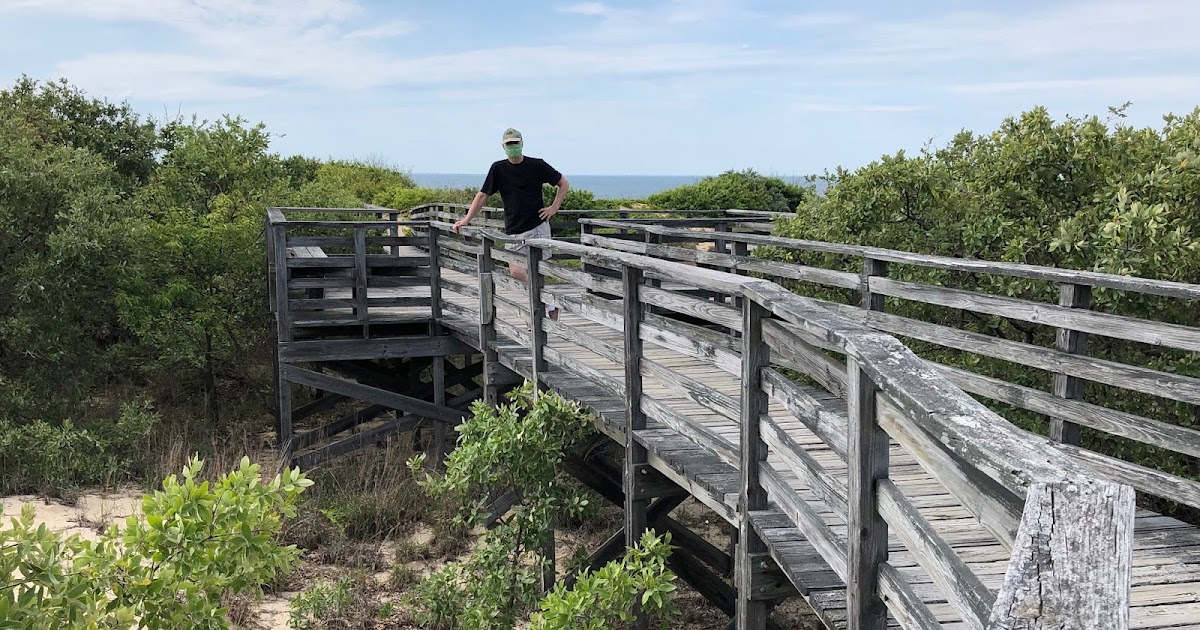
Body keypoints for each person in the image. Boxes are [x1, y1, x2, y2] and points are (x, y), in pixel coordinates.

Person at [453, 127, 569, 318]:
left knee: (537, 270)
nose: (513, 147)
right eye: (509, 144)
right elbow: (483, 195)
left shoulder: (537, 165)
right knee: (517, 272)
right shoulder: (498, 169)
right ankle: (549, 303)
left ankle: (537, 314)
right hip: (513, 229)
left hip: (537, 226)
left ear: (522, 143)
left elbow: (563, 183)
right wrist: (466, 219)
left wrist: (554, 207)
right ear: (503, 146)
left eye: (515, 143)